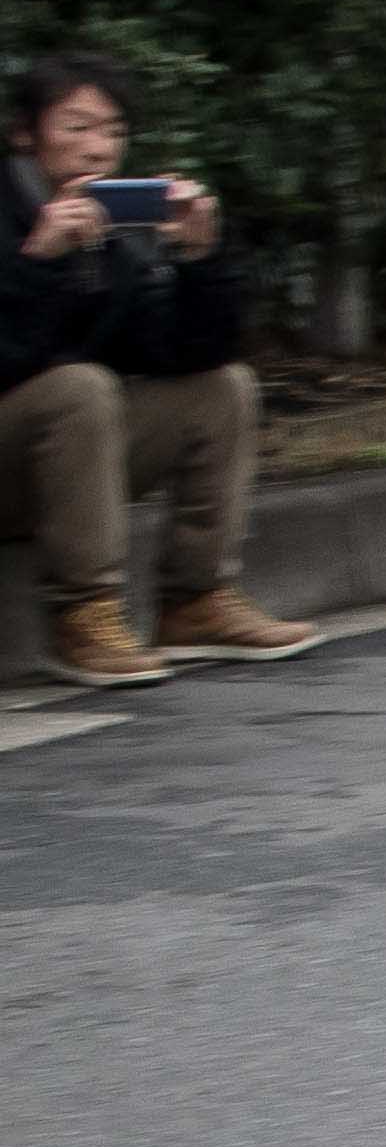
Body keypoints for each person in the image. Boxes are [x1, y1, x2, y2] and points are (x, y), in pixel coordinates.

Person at [0, 53, 311, 688]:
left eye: (112, 132)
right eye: (77, 127)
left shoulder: (116, 224)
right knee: (79, 388)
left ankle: (195, 600)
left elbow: (179, 354)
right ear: (25, 133)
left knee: (222, 388)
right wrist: (36, 262)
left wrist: (199, 258)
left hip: (62, 460)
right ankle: (83, 616)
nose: (98, 149)